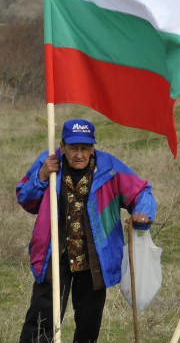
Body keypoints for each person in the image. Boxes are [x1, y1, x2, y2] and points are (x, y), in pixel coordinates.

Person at [17, 118, 157, 343]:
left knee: (89, 326)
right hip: (55, 257)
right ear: (62, 147)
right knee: (41, 322)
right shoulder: (48, 162)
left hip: (95, 259)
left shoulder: (110, 168)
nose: (79, 154)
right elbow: (26, 200)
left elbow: (143, 191)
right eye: (73, 148)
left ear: (93, 148)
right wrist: (41, 176)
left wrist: (143, 212)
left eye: (85, 148)